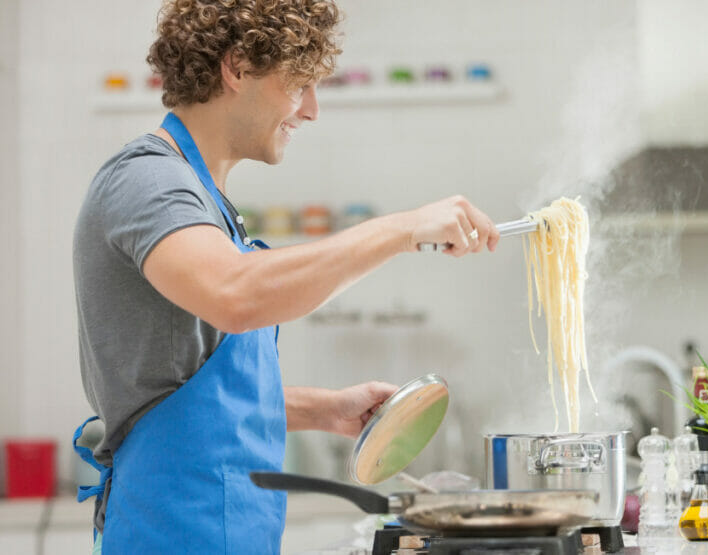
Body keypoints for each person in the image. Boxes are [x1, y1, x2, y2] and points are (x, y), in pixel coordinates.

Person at [71, 1, 500, 553]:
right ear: (238, 66)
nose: (313, 110)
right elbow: (236, 293)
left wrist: (323, 409)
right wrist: (400, 229)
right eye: (301, 84)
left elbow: (181, 396)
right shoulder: (148, 181)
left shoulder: (206, 203)